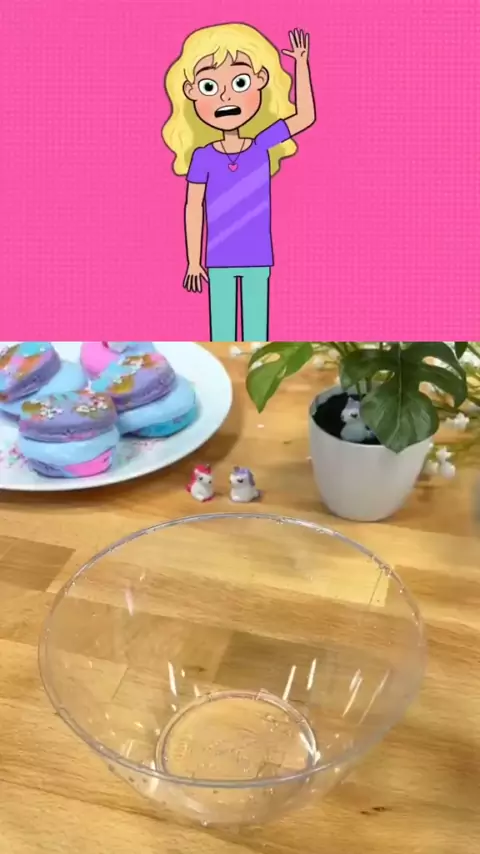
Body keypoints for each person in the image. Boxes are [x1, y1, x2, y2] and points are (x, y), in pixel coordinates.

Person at [162, 23, 316, 341]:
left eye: (239, 82)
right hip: (218, 259)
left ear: (260, 81)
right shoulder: (202, 157)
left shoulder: (262, 145)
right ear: (190, 91)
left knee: (257, 334)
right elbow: (193, 207)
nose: (226, 96)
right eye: (209, 86)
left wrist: (301, 64)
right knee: (222, 333)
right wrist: (193, 261)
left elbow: (305, 117)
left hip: (258, 257)